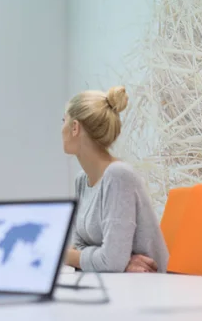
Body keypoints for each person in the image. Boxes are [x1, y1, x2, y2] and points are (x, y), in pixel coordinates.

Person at [61, 85, 169, 273]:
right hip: (121, 282)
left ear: (75, 128)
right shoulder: (82, 181)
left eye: (64, 121)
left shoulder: (118, 176)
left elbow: (108, 261)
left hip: (152, 286)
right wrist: (118, 260)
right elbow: (82, 248)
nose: (61, 129)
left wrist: (65, 255)